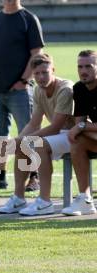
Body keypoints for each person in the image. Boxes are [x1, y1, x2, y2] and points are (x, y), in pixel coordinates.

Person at [0, 0, 44, 191]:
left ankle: (34, 176)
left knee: (28, 132)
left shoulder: (28, 19)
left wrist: (23, 81)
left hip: (20, 90)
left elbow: (37, 53)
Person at [0, 53, 75, 215]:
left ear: (53, 70)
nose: (41, 77)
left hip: (74, 135)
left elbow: (56, 127)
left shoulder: (65, 89)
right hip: (59, 134)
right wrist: (17, 141)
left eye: (45, 72)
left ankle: (45, 202)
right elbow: (34, 123)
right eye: (37, 73)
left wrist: (26, 140)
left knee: (37, 144)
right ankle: (18, 198)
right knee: (20, 145)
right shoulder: (38, 90)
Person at [62, 50, 97, 216]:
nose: (83, 71)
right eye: (80, 67)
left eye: (89, 66)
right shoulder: (79, 88)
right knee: (76, 140)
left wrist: (83, 126)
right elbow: (79, 124)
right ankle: (85, 199)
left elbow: (81, 125)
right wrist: (83, 127)